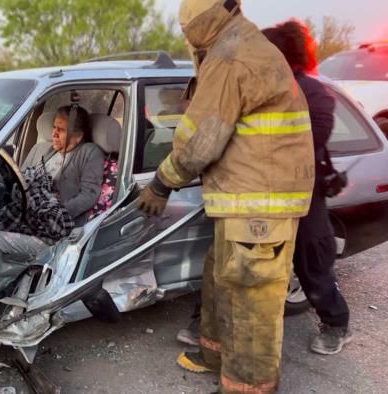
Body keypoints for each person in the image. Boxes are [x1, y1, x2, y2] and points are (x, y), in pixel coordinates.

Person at [137, 0, 315, 392]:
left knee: (250, 303)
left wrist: (162, 183)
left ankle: (247, 387)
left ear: (205, 23)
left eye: (188, 31)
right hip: (247, 200)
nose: (185, 38)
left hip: (260, 206)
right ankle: (214, 354)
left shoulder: (231, 56)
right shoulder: (234, 44)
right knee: (222, 279)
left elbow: (201, 141)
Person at [263, 19, 352, 355]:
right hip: (265, 193)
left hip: (303, 195)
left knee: (311, 265)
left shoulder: (312, 92)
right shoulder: (266, 89)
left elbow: (313, 139)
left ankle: (336, 323)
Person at [0, 106, 104, 294]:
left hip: (53, 233)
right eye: (54, 127)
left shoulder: (89, 152)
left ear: (78, 136)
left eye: (61, 130)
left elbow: (89, 195)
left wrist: (55, 212)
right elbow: (25, 183)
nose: (54, 133)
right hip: (29, 221)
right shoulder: (46, 150)